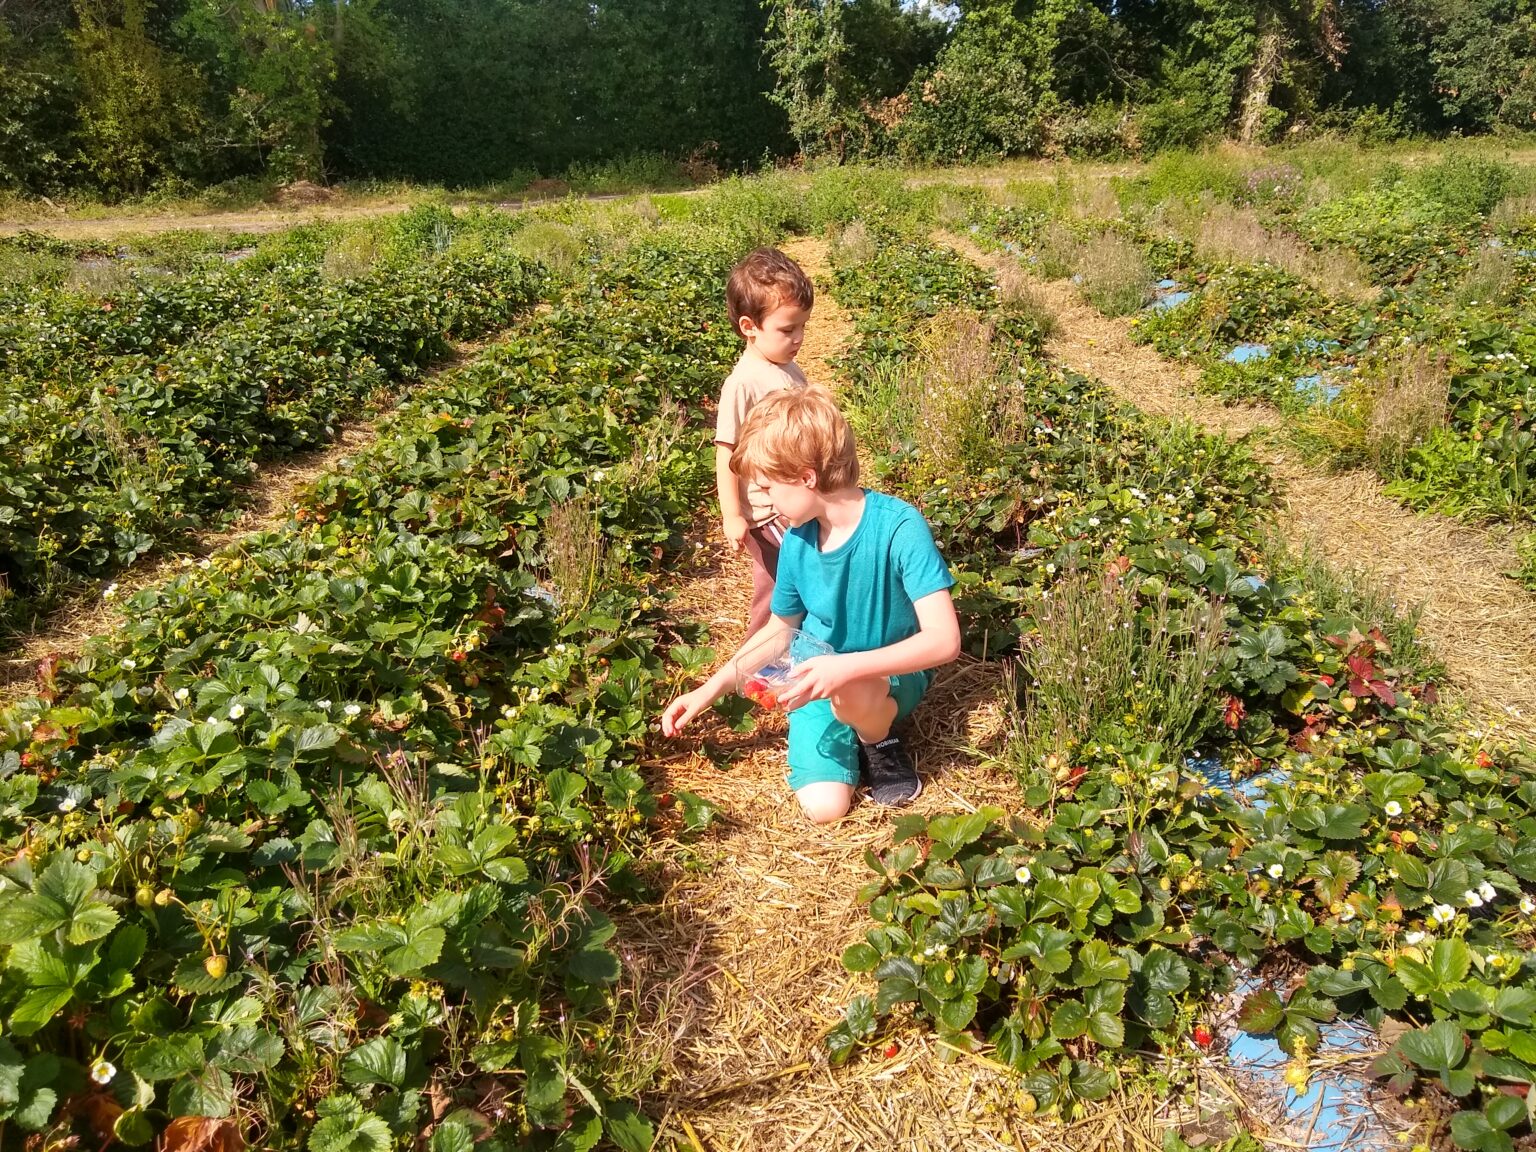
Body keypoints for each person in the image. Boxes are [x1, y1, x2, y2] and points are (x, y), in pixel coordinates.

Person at [662, 387, 961, 824]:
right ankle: (855, 730)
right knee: (824, 808)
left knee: (853, 688)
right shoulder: (798, 543)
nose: (764, 500)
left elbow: (944, 640)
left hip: (887, 675)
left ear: (805, 478)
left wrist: (844, 669)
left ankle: (879, 744)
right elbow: (779, 630)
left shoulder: (899, 527)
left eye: (767, 487)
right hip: (817, 677)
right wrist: (708, 690)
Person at [715, 247, 813, 636]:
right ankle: (759, 660)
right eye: (787, 329)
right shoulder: (744, 382)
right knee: (778, 588)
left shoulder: (787, 367)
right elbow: (726, 450)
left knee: (801, 576)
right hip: (767, 511)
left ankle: (798, 642)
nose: (799, 338)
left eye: (803, 326)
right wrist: (732, 515)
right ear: (748, 326)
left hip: (793, 500)